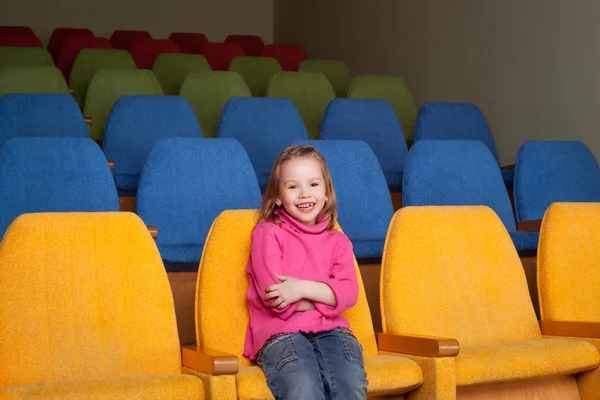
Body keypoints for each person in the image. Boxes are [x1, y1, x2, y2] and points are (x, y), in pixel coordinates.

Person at [243, 145, 368, 399]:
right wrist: (328, 293)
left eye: (313, 184)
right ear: (277, 196)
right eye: (292, 187)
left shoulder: (338, 241)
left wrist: (299, 288)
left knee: (351, 381)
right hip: (281, 334)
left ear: (325, 193)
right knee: (304, 385)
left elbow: (349, 294)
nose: (304, 194)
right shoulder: (267, 234)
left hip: (333, 332)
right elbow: (279, 303)